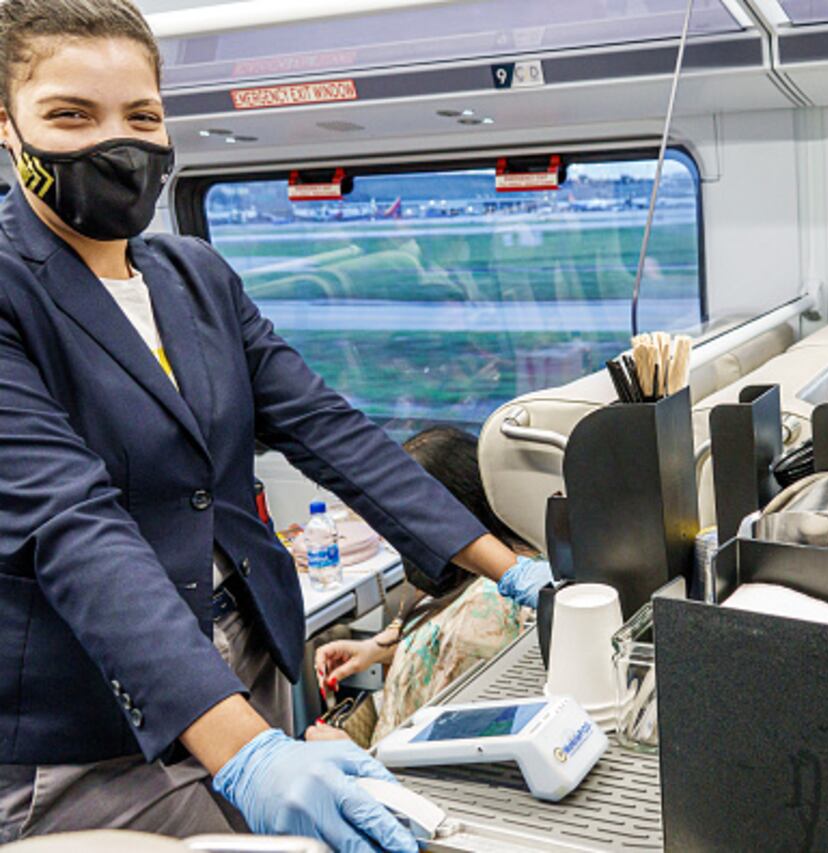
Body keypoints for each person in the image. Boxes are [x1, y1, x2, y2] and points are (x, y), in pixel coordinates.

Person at [0, 2, 553, 850]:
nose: (118, 142)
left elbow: (333, 430)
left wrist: (512, 573)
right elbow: (73, 526)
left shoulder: (196, 277)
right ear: (9, 126)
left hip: (241, 655)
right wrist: (250, 755)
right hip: (92, 713)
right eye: (72, 115)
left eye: (142, 115)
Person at [307, 427, 532, 746]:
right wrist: (375, 650)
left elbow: (439, 752)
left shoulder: (481, 613)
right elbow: (441, 643)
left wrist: (344, 750)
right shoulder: (496, 567)